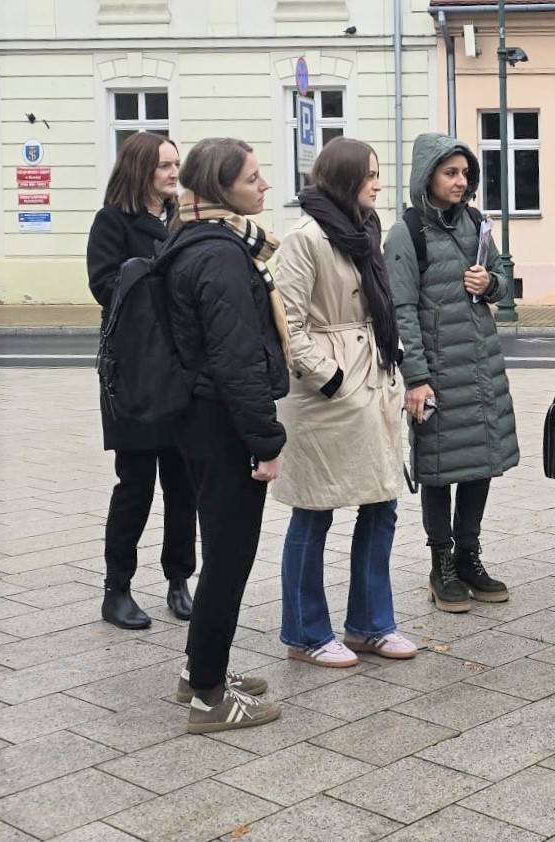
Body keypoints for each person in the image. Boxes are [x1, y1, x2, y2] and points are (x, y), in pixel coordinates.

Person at [273, 138, 414, 667]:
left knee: (382, 504)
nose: (378, 183)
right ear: (343, 177)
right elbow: (288, 324)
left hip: (373, 379)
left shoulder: (365, 229)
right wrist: (331, 379)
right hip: (328, 394)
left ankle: (371, 625)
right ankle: (305, 632)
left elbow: (381, 305)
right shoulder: (305, 237)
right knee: (314, 511)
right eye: (370, 174)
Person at [167, 137, 287, 733]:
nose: (263, 186)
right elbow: (237, 362)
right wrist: (266, 443)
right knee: (229, 558)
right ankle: (210, 698)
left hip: (198, 419)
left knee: (221, 549)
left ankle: (199, 670)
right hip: (223, 424)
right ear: (221, 190)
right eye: (253, 179)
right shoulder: (220, 256)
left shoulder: (191, 239)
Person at [386, 134, 518, 614]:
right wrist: (416, 378)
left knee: (480, 461)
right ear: (429, 176)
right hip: (438, 373)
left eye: (465, 173)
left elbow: (502, 276)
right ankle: (440, 563)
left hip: (480, 369)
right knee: (439, 467)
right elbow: (400, 312)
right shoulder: (407, 233)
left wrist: (491, 284)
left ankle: (469, 556)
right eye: (451, 173)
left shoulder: (478, 224)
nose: (461, 181)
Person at [86, 132, 197, 629]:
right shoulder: (112, 221)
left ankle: (179, 579)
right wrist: (161, 275)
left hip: (180, 371)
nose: (175, 173)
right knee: (135, 485)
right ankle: (118, 590)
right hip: (133, 375)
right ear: (140, 170)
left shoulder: (180, 220)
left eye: (177, 164)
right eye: (164, 166)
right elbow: (107, 286)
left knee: (183, 484)